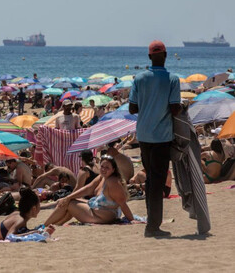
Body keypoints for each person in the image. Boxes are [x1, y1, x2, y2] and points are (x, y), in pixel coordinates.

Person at [129, 40, 181, 237]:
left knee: (151, 178)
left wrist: (148, 105)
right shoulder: (172, 79)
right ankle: (152, 226)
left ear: (149, 57)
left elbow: (132, 108)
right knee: (157, 181)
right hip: (161, 136)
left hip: (143, 135)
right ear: (165, 56)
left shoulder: (139, 79)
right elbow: (175, 108)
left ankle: (152, 222)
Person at [43, 155, 135, 226]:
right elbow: (88, 188)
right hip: (98, 211)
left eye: (107, 167)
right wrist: (68, 197)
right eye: (102, 166)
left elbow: (122, 203)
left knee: (69, 203)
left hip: (103, 217)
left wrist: (132, 220)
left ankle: (44, 226)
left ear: (113, 169)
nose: (103, 169)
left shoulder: (113, 182)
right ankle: (55, 225)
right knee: (67, 201)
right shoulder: (102, 177)